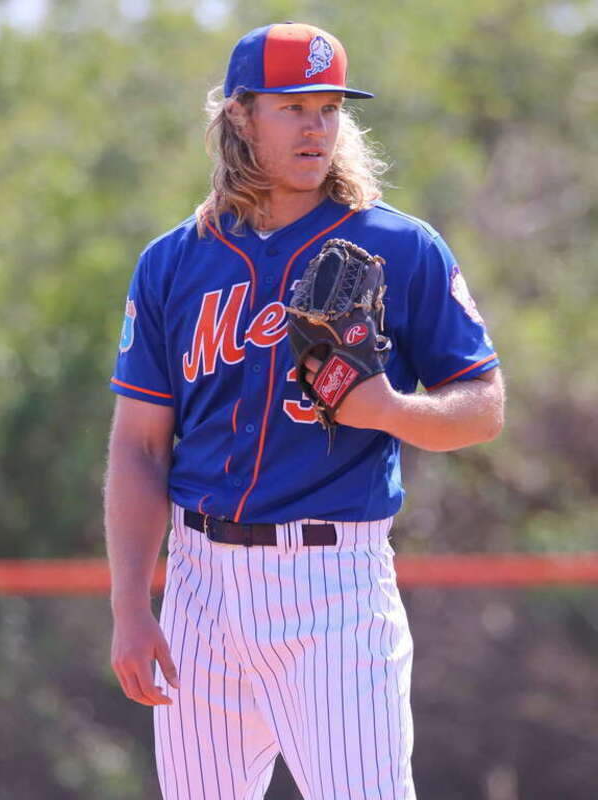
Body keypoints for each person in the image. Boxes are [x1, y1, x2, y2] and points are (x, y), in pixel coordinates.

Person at [104, 21, 505, 800]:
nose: (317, 124)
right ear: (241, 117)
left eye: (329, 106)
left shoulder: (398, 246)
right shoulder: (174, 261)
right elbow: (139, 448)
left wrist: (388, 408)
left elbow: (484, 408)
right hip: (197, 585)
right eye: (293, 106)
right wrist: (130, 605)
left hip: (331, 583)